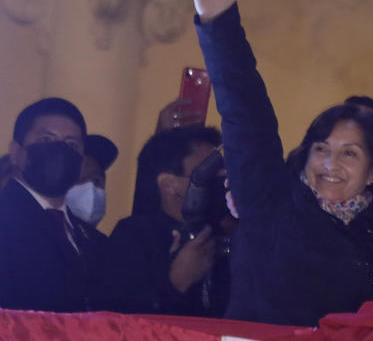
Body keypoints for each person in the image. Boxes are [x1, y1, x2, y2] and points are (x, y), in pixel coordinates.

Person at [192, 0, 373, 326]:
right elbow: (247, 116)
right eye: (321, 148)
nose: (329, 164)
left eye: (349, 153)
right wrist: (219, 25)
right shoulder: (269, 201)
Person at [97, 126, 229, 316]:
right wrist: (176, 283)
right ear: (169, 184)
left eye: (224, 171)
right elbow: (115, 321)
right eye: (211, 172)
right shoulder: (134, 237)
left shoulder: (227, 235)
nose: (222, 179)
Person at [0, 97, 105, 312]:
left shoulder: (91, 239)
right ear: (16, 152)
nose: (60, 151)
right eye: (47, 140)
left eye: (71, 144)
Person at [65, 133, 118, 227]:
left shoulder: (101, 240)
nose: (90, 191)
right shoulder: (33, 234)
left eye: (96, 181)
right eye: (79, 180)